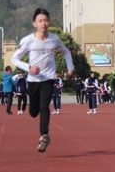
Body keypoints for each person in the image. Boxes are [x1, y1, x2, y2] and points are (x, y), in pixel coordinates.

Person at [11, 8, 74, 152]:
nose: (43, 23)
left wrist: (70, 68)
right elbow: (14, 59)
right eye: (40, 21)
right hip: (33, 80)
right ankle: (41, 129)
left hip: (48, 79)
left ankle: (44, 135)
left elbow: (66, 52)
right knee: (33, 112)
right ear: (35, 23)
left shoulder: (54, 39)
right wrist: (29, 68)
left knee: (44, 106)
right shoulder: (28, 40)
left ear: (49, 22)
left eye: (46, 20)